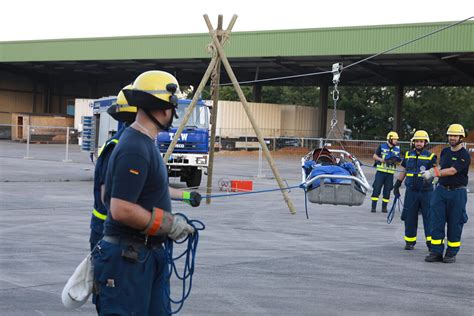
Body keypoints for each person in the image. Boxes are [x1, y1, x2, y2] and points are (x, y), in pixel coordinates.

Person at [92, 70, 197, 315]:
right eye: (172, 108)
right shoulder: (135, 148)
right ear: (161, 109)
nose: (173, 114)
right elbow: (120, 208)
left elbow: (109, 195)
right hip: (129, 261)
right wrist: (167, 224)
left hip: (143, 256)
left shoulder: (142, 143)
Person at [89, 86, 202, 251]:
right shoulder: (130, 149)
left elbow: (150, 188)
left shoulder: (141, 143)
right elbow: (116, 202)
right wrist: (167, 224)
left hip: (136, 244)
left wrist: (186, 195)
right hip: (123, 243)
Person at [423, 124, 470, 263]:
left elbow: (452, 171)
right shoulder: (444, 152)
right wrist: (434, 178)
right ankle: (436, 252)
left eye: (455, 136)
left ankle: (451, 253)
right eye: (450, 135)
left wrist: (432, 173)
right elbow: (442, 167)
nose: (452, 138)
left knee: (455, 223)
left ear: (461, 137)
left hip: (457, 193)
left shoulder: (464, 155)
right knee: (436, 221)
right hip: (441, 191)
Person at [393, 130, 437, 251]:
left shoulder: (431, 156)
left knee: (429, 218)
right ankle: (410, 241)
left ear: (425, 143)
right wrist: (397, 184)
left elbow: (435, 172)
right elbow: (404, 170)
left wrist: (431, 177)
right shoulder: (408, 155)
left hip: (426, 192)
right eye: (417, 141)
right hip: (411, 191)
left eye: (421, 141)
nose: (419, 143)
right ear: (413, 142)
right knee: (409, 217)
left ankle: (431, 243)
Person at [371, 131, 401, 213]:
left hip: (390, 174)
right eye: (395, 139)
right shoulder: (382, 146)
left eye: (396, 139)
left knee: (387, 191)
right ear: (390, 139)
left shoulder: (397, 149)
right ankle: (373, 207)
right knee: (376, 189)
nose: (396, 141)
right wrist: (382, 160)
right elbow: (374, 156)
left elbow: (399, 162)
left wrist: (396, 162)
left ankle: (384, 208)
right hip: (380, 172)